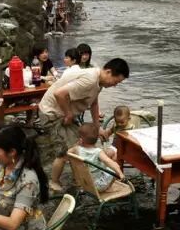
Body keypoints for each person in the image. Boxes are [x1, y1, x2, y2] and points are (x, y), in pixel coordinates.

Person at [38, 58, 130, 192]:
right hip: (52, 112)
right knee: (65, 151)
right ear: (109, 72)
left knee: (78, 147)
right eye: (116, 82)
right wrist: (68, 114)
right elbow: (59, 94)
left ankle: (79, 180)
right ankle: (54, 182)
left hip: (63, 112)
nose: (115, 85)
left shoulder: (98, 82)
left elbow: (94, 103)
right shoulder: (90, 80)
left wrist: (98, 127)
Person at [70, 123, 124, 192]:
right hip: (98, 186)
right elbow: (108, 161)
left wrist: (77, 145)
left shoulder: (76, 149)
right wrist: (120, 173)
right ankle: (108, 188)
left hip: (84, 182)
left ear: (80, 140)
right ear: (97, 139)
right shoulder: (98, 152)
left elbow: (68, 154)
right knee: (113, 167)